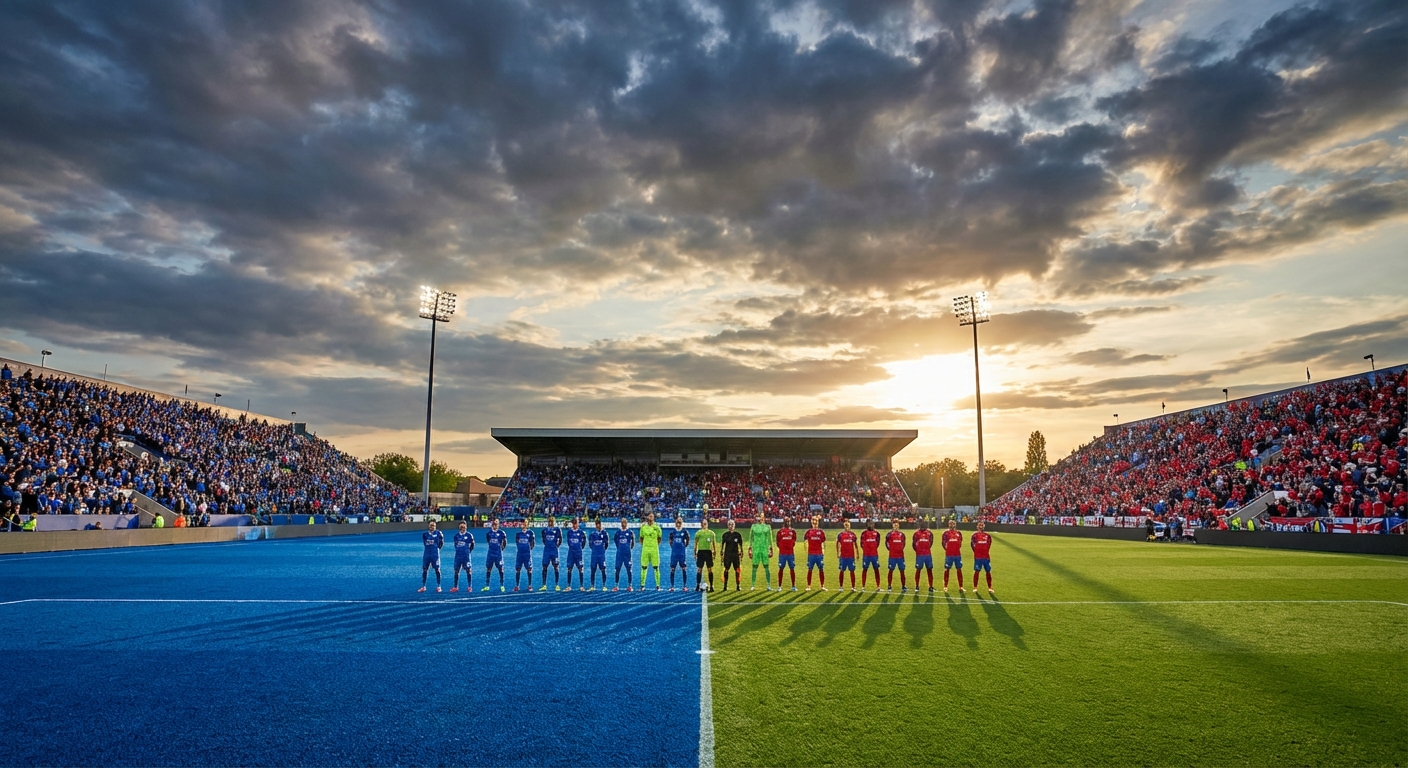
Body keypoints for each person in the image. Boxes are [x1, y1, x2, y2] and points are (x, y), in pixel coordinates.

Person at [639, 512, 664, 591]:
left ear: (653, 518)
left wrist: (654, 545)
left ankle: (658, 586)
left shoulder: (657, 528)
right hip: (645, 550)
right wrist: (645, 545)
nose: (650, 518)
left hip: (654, 550)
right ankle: (642, 586)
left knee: (656, 567)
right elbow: (641, 538)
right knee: (644, 567)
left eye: (651, 516)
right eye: (649, 516)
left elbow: (659, 538)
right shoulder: (643, 527)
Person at [482, 518, 507, 592]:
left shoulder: (502, 533)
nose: (495, 525)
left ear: (498, 525)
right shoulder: (489, 533)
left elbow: (505, 542)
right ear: (492, 525)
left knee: (501, 569)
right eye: (494, 524)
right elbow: (488, 541)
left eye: (497, 524)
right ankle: (487, 586)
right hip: (490, 553)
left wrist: (501, 549)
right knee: (489, 568)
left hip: (498, 554)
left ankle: (502, 585)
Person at [748, 517, 773, 591]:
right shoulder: (753, 527)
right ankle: (753, 585)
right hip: (756, 549)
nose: (760, 519)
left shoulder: (767, 527)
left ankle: (769, 585)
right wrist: (750, 548)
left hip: (764, 549)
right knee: (754, 567)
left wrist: (771, 548)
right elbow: (751, 538)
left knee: (766, 567)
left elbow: (770, 538)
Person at [419, 520, 444, 593]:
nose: (432, 527)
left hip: (435, 554)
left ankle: (439, 586)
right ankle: (423, 586)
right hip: (427, 554)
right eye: (431, 526)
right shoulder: (425, 534)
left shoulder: (438, 533)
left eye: (433, 526)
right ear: (428, 526)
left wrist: (437, 548)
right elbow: (425, 543)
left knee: (437, 569)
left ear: (435, 526)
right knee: (425, 569)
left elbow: (441, 542)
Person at [940, 518, 964, 595]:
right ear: (948, 524)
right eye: (950, 523)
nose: (952, 525)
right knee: (947, 569)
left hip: (957, 554)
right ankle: (945, 586)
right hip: (949, 555)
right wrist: (948, 549)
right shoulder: (945, 533)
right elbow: (943, 543)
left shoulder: (959, 533)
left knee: (959, 569)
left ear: (955, 524)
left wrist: (955, 548)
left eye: (953, 523)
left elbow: (960, 543)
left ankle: (961, 586)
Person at [971, 520, 995, 596]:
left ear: (984, 526)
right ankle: (975, 587)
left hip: (986, 557)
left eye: (982, 525)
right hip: (978, 557)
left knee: (988, 571)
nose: (981, 526)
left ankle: (990, 587)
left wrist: (984, 551)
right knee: (977, 571)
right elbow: (972, 545)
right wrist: (977, 552)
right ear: (977, 526)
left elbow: (989, 545)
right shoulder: (974, 535)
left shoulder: (987, 536)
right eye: (979, 525)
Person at [804, 516, 827, 591]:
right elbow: (805, 542)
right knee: (810, 569)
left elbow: (823, 543)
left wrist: (823, 551)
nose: (814, 522)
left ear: (818, 522)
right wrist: (807, 551)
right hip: (811, 554)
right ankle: (808, 586)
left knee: (821, 569)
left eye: (816, 521)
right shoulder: (808, 532)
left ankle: (822, 586)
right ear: (811, 522)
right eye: (813, 520)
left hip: (819, 554)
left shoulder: (821, 532)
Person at [539, 516, 562, 591]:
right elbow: (543, 539)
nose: (551, 523)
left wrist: (557, 546)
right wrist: (547, 545)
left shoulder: (557, 530)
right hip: (547, 551)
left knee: (556, 567)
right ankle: (544, 585)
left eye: (552, 522)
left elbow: (560, 538)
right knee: (544, 567)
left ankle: (557, 585)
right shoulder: (544, 530)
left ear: (554, 522)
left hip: (554, 551)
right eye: (549, 521)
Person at [694, 517, 717, 592]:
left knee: (709, 569)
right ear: (701, 525)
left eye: (705, 523)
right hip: (700, 552)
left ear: (707, 524)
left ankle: (711, 586)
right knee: (699, 569)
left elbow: (713, 544)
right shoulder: (698, 533)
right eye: (703, 524)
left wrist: (714, 552)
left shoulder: (711, 533)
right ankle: (697, 585)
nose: (704, 525)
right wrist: (695, 552)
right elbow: (695, 543)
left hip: (708, 552)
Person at [912, 519, 935, 594]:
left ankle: (930, 586)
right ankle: (917, 586)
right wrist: (919, 550)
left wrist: (926, 549)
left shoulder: (929, 533)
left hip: (927, 555)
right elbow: (914, 544)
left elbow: (931, 542)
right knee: (918, 570)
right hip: (920, 555)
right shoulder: (916, 533)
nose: (922, 526)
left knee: (929, 570)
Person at [450, 521, 475, 592]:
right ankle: (455, 587)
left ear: (466, 527)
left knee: (468, 571)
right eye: (461, 527)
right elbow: (455, 545)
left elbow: (472, 545)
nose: (462, 528)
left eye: (463, 527)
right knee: (456, 571)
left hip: (466, 556)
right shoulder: (456, 536)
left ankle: (469, 586)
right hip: (458, 556)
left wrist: (468, 551)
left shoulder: (469, 536)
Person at [668, 517, 691, 591]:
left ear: (681, 523)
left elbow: (688, 539)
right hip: (674, 553)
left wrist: (685, 546)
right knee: (672, 568)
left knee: (683, 568)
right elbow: (670, 539)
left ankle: (684, 586)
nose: (678, 524)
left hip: (681, 553)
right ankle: (672, 586)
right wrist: (672, 546)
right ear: (675, 523)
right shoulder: (673, 531)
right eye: (677, 523)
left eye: (679, 523)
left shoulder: (684, 531)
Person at [613, 518, 636, 592]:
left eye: (624, 523)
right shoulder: (618, 532)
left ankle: (630, 586)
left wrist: (628, 548)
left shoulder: (630, 532)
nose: (623, 524)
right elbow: (615, 541)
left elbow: (633, 542)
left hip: (627, 554)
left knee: (629, 569)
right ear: (621, 523)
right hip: (619, 554)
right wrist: (619, 548)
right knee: (617, 569)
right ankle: (616, 586)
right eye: (622, 522)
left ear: (626, 523)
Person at [720, 519, 744, 591]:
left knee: (737, 569)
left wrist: (741, 552)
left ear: (734, 525)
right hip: (727, 554)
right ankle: (725, 586)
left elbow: (740, 545)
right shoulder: (725, 535)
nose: (731, 526)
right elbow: (722, 545)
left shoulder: (738, 535)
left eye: (732, 524)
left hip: (735, 555)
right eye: (729, 524)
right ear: (728, 526)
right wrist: (721, 553)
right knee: (726, 569)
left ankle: (738, 585)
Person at [836, 519, 859, 592]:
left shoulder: (853, 535)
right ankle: (841, 586)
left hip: (851, 556)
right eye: (845, 525)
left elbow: (856, 545)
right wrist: (838, 552)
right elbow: (837, 544)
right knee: (842, 570)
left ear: (850, 526)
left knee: (852, 571)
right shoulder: (840, 535)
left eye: (848, 525)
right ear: (844, 526)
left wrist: (857, 553)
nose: (847, 526)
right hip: (843, 556)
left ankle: (853, 587)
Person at [564, 518, 587, 591]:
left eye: (575, 523)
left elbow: (584, 542)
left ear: (578, 523)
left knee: (580, 568)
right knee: (569, 568)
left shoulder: (581, 532)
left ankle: (581, 586)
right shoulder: (569, 532)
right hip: (571, 553)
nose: (574, 525)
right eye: (573, 523)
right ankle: (568, 586)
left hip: (578, 553)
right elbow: (568, 541)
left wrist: (580, 548)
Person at [776, 517, 798, 591]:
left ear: (790, 522)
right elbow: (777, 542)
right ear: (784, 522)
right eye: (786, 521)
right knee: (781, 569)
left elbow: (794, 542)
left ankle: (793, 586)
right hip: (782, 554)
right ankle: (779, 586)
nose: (787, 523)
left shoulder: (793, 531)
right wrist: (782, 547)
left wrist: (789, 546)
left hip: (790, 554)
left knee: (792, 568)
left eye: (788, 521)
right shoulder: (780, 532)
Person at [885, 520, 907, 593]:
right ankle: (889, 586)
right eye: (895, 525)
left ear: (899, 526)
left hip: (900, 556)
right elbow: (887, 544)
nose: (896, 526)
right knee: (891, 570)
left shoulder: (902, 535)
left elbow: (903, 543)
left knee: (902, 571)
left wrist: (900, 549)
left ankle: (903, 586)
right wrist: (891, 550)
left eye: (897, 525)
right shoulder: (889, 534)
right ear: (893, 526)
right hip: (892, 556)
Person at [513, 519, 535, 592]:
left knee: (529, 569)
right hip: (519, 554)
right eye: (522, 523)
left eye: (525, 523)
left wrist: (528, 549)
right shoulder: (518, 534)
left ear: (527, 524)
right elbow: (517, 542)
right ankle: (517, 586)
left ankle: (529, 585)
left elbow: (532, 543)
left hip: (527, 554)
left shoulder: (530, 533)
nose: (523, 524)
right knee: (518, 569)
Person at [859, 519, 881, 590]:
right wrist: (866, 550)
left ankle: (878, 586)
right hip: (866, 555)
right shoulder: (864, 533)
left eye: (872, 523)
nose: (870, 525)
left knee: (876, 569)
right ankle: (863, 586)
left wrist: (873, 548)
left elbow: (877, 543)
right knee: (865, 569)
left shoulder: (877, 533)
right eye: (869, 524)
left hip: (874, 555)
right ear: (867, 524)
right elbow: (861, 544)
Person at [588, 519, 610, 591]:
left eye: (599, 524)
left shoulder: (605, 533)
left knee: (603, 569)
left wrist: (602, 550)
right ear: (595, 525)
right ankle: (592, 586)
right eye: (597, 524)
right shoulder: (592, 534)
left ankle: (604, 585)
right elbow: (590, 544)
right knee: (593, 570)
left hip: (601, 555)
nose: (598, 526)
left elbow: (607, 544)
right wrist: (595, 549)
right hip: (594, 555)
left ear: (601, 524)